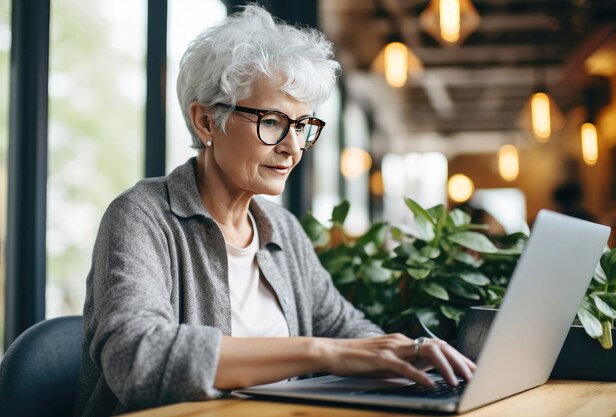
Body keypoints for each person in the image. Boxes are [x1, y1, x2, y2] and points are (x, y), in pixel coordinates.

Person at [73, 6, 475, 417]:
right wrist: (322, 353)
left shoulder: (280, 229)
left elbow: (347, 330)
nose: (293, 146)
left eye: (302, 125)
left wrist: (409, 354)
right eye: (272, 122)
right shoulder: (142, 217)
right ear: (206, 122)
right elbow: (136, 358)